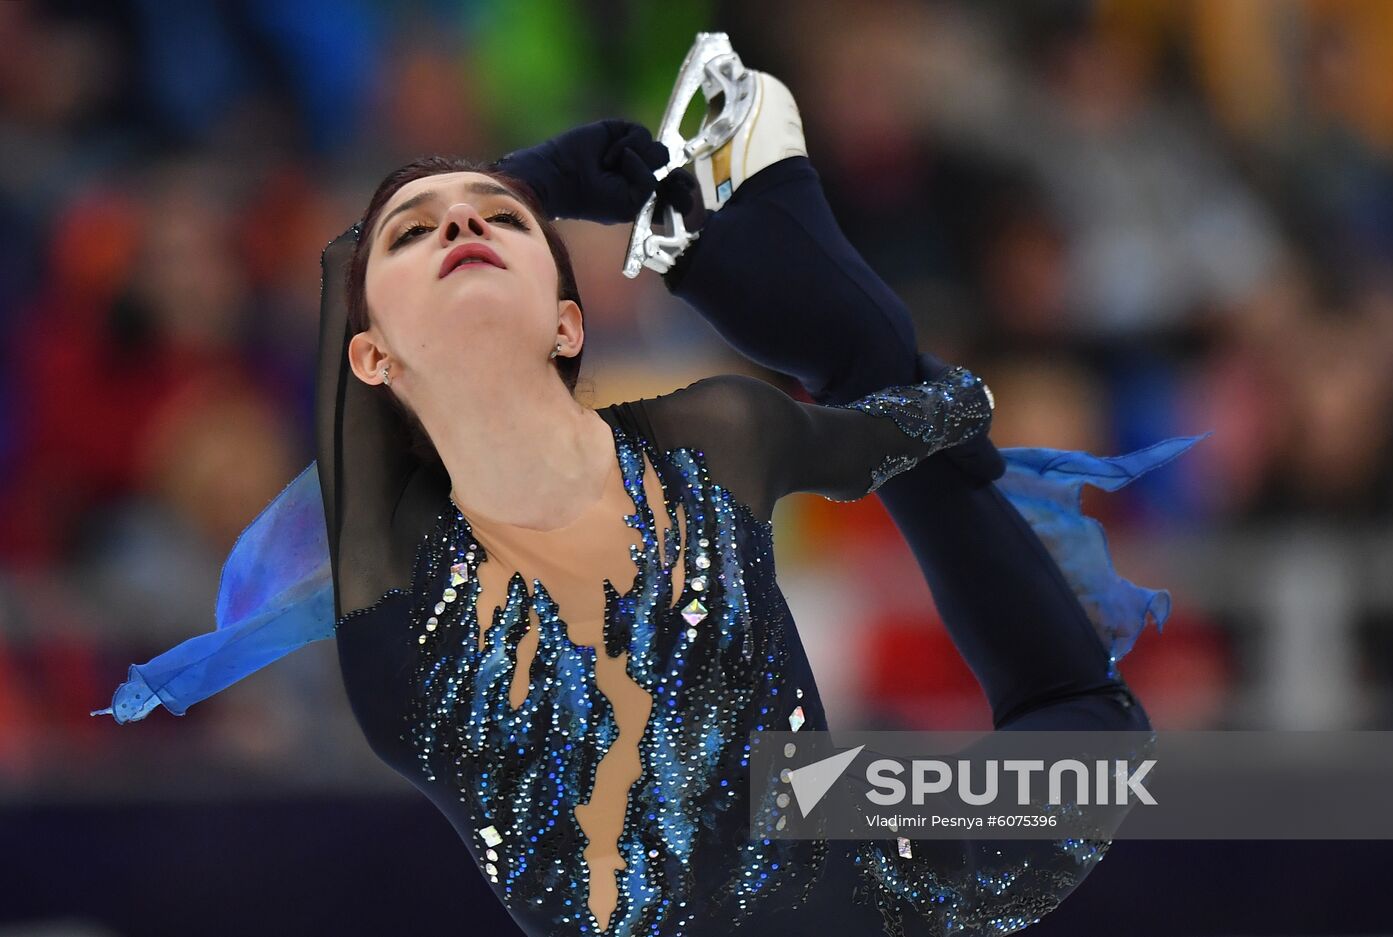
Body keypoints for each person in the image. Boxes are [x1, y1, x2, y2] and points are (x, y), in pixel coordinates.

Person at [94, 38, 1203, 937]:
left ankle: (761, 271)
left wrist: (859, 347)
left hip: (839, 840)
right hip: (781, 842)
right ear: (373, 358)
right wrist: (535, 182)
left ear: (569, 320)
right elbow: (345, 263)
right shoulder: (399, 595)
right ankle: (752, 252)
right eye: (420, 233)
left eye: (498, 225)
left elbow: (940, 422)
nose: (465, 229)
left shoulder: (708, 432)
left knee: (1090, 744)